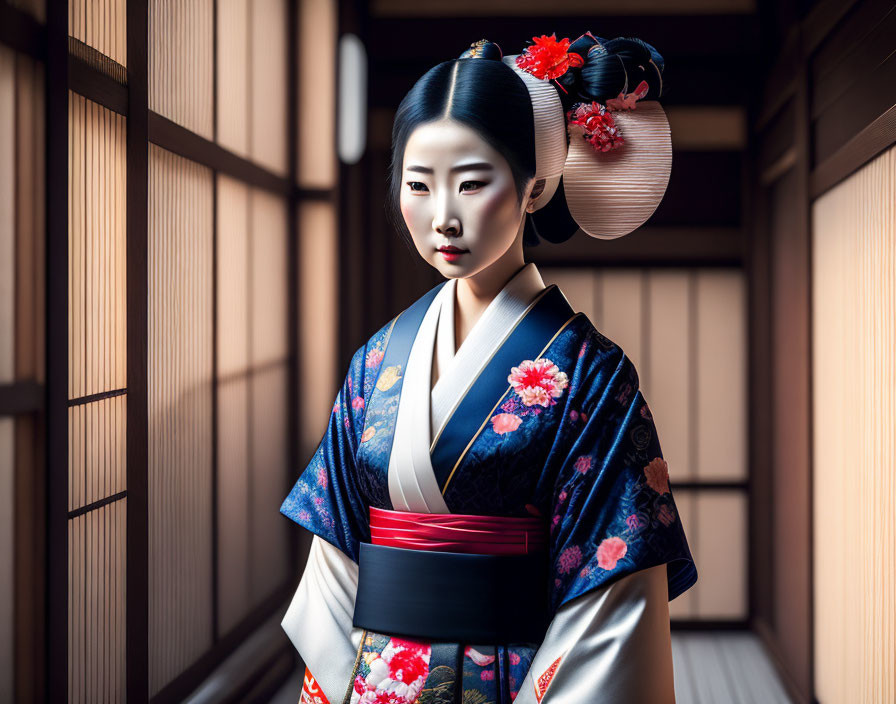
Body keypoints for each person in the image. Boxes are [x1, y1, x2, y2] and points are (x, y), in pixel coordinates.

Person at [280, 31, 697, 704]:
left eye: (473, 183)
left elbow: (613, 579)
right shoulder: (377, 361)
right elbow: (336, 549)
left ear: (533, 187)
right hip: (372, 674)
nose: (443, 217)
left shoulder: (592, 375)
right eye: (419, 186)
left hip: (517, 677)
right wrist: (342, 682)